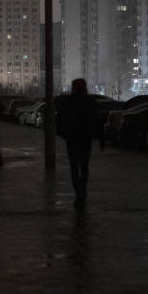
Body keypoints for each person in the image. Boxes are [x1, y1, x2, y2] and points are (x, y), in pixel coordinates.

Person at [55, 78, 104, 207]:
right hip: (85, 138)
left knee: (74, 167)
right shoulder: (90, 101)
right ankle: (82, 190)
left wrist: (64, 134)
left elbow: (59, 120)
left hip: (72, 139)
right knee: (84, 166)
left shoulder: (68, 102)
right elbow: (97, 120)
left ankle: (79, 193)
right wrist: (101, 138)